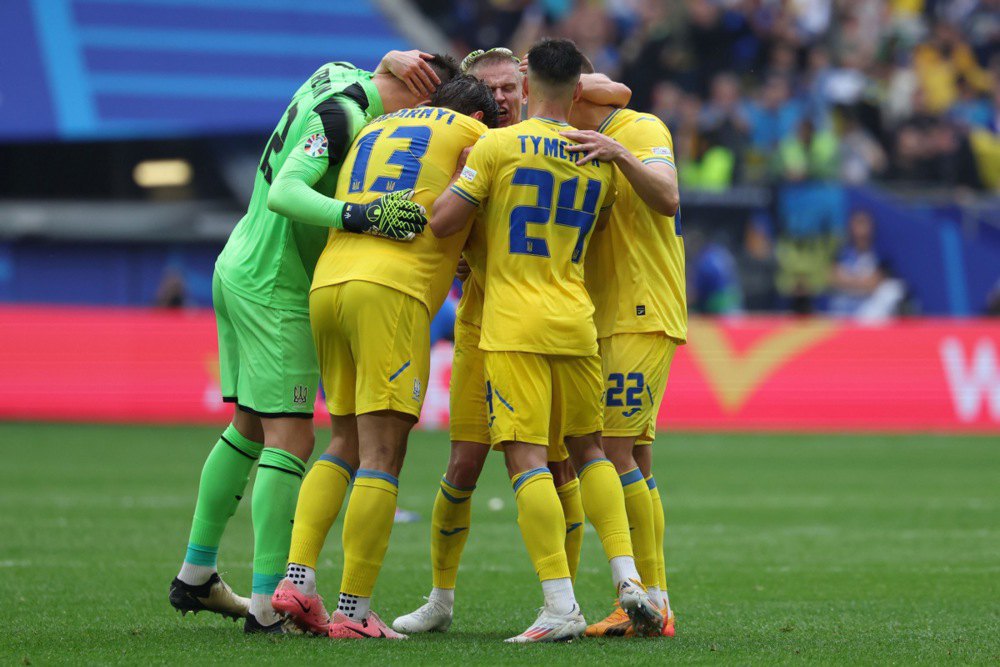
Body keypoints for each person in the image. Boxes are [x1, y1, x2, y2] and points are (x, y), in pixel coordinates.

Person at [168, 50, 453, 634]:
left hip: (241, 262)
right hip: (276, 284)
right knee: (292, 438)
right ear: (421, 97)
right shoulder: (347, 117)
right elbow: (288, 192)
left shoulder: (338, 74)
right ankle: (269, 603)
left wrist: (392, 59)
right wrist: (358, 214)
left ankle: (196, 574)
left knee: (249, 427)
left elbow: (357, 73)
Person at [392, 46, 633, 636]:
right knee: (466, 464)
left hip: (514, 318)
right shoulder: (552, 148)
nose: (499, 98)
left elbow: (443, 221)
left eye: (508, 87)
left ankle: (562, 600)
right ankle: (441, 599)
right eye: (489, 90)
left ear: (525, 87)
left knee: (554, 462)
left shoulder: (493, 148)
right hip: (492, 320)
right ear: (473, 94)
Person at [269, 74, 500, 639]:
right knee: (383, 454)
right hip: (391, 292)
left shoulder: (377, 125)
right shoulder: (478, 136)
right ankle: (352, 612)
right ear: (478, 112)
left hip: (329, 284)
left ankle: (297, 582)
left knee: (342, 441)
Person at [562, 65, 685, 636]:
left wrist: (618, 151)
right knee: (633, 456)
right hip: (603, 316)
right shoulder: (569, 142)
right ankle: (656, 603)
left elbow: (667, 197)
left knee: (611, 453)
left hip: (640, 313)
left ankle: (649, 600)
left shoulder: (639, 128)